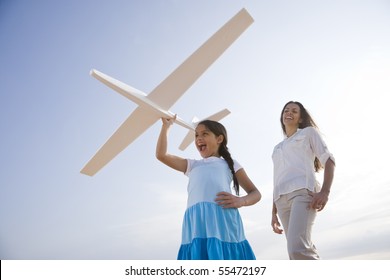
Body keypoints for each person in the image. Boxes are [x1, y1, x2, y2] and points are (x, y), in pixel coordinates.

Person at [156, 116, 261, 260]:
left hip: (222, 222)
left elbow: (255, 193)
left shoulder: (230, 164)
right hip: (196, 224)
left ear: (219, 139)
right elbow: (161, 155)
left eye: (204, 134)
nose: (199, 138)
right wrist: (165, 127)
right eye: (196, 135)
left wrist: (241, 201)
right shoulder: (193, 166)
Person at [271, 101, 335, 260]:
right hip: (281, 201)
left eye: (294, 111)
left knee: (297, 249)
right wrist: (273, 212)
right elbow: (277, 178)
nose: (289, 113)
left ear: (300, 118)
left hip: (302, 194)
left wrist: (325, 192)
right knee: (297, 252)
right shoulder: (277, 148)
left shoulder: (308, 133)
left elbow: (329, 160)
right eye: (286, 110)